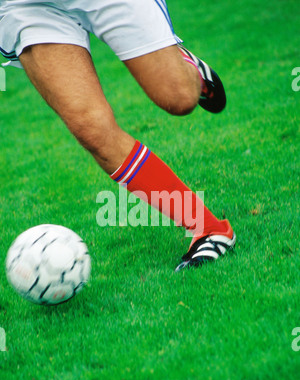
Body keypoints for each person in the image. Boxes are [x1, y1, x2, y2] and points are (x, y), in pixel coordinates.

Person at [0, 0, 236, 271]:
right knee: (90, 129)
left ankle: (185, 67)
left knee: (179, 98)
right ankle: (208, 228)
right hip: (29, 5)